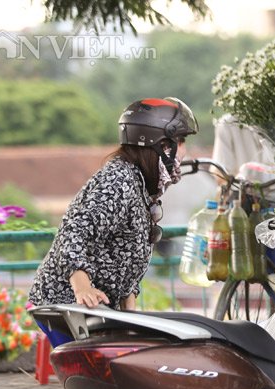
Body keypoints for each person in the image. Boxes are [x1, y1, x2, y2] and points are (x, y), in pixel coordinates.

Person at [29, 97, 199, 311]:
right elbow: (72, 234)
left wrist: (131, 315)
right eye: (181, 140)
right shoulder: (118, 181)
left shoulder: (140, 186)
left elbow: (125, 256)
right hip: (67, 308)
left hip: (98, 310)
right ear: (161, 145)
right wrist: (82, 289)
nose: (184, 151)